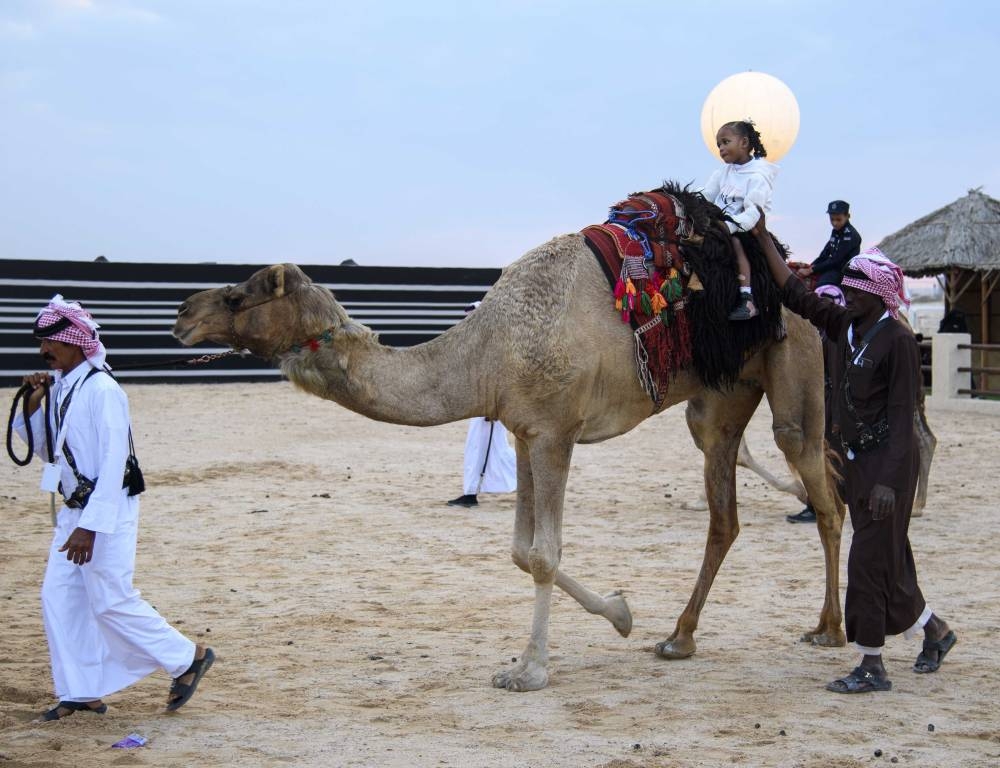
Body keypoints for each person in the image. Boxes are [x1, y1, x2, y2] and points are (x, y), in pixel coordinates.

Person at [752, 214, 957, 694]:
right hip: (855, 464)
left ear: (878, 295)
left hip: (889, 469)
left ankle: (871, 665)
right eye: (845, 287)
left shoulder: (899, 342)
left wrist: (888, 483)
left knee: (866, 562)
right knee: (890, 561)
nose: (846, 293)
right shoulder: (845, 325)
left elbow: (903, 420)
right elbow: (797, 296)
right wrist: (761, 238)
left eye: (855, 288)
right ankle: (936, 632)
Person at [12, 295, 215, 720]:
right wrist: (32, 404)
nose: (44, 351)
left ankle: (187, 657)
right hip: (73, 510)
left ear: (77, 342)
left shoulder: (103, 391)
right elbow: (50, 453)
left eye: (51, 343)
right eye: (41, 344)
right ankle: (82, 693)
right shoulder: (62, 387)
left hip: (105, 511)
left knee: (110, 599)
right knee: (59, 598)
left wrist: (91, 527)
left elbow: (112, 464)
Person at [698, 119, 779, 320]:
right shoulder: (723, 172)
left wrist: (729, 226)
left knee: (735, 243)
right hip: (720, 225)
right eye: (719, 144)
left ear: (743, 142)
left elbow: (753, 213)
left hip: (747, 230)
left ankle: (747, 298)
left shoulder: (758, 176)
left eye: (725, 142)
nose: (721, 148)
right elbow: (707, 195)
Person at [446, 301, 517, 508]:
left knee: (485, 448)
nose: (468, 320)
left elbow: (501, 376)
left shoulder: (495, 344)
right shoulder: (480, 343)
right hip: (480, 403)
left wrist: (492, 405)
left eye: (472, 316)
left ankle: (470, 494)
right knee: (487, 448)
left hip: (490, 404)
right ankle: (470, 492)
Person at [786, 283, 847, 524]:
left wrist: (834, 413)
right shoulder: (821, 335)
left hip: (829, 404)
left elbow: (835, 377)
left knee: (825, 457)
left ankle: (819, 506)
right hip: (823, 401)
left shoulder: (833, 338)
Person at [798, 200, 862, 287]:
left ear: (847, 216)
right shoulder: (836, 231)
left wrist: (811, 270)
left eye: (838, 219)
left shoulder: (851, 235)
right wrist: (812, 266)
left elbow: (836, 260)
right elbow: (825, 253)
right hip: (832, 267)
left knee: (822, 286)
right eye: (832, 219)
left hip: (843, 271)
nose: (834, 223)